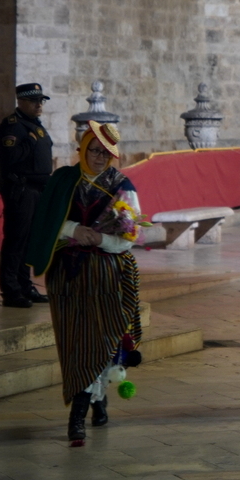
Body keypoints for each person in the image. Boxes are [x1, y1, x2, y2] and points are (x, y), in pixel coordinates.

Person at [24, 121, 142, 444]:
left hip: (105, 276)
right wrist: (74, 230)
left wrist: (101, 238)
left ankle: (76, 417)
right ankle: (98, 400)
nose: (100, 157)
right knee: (75, 345)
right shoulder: (63, 180)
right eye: (94, 150)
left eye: (106, 153)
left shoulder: (122, 186)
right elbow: (45, 222)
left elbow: (130, 236)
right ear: (82, 148)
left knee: (97, 340)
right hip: (67, 276)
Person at [0, 83, 54, 308]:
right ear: (21, 101)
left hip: (37, 190)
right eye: (34, 101)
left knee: (28, 243)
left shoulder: (33, 125)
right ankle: (11, 291)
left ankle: (25, 286)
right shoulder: (13, 126)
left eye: (42, 101)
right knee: (16, 241)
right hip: (20, 191)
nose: (40, 105)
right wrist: (29, 143)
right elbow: (10, 159)